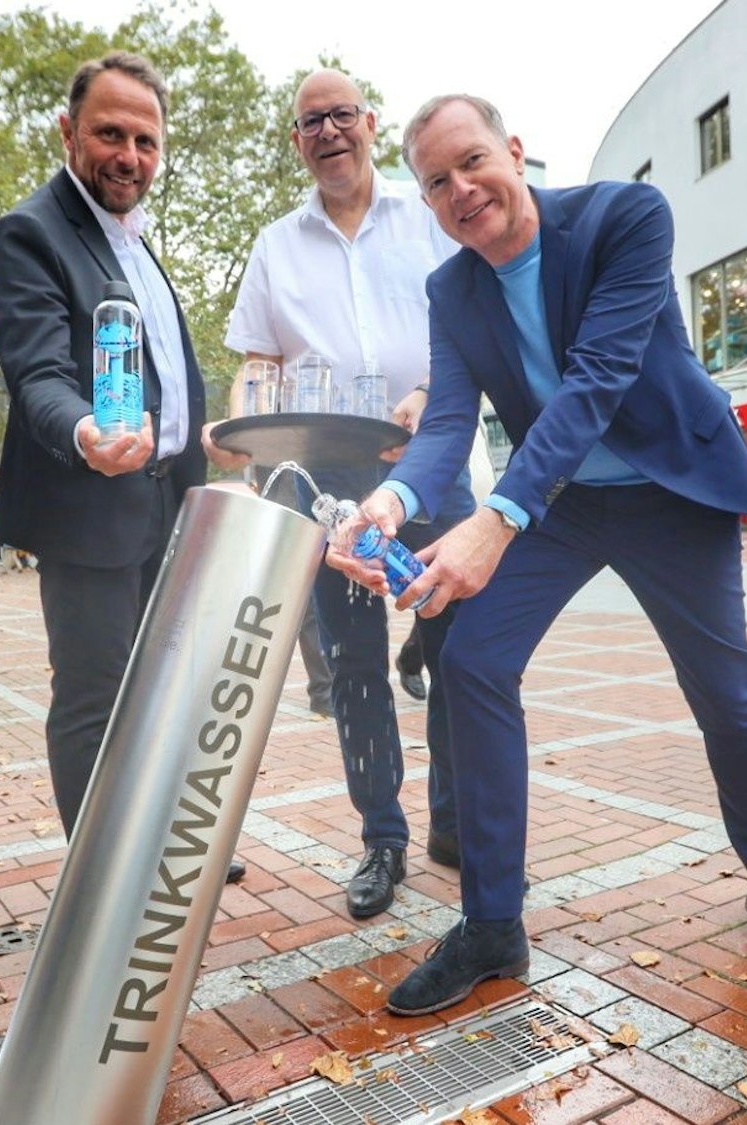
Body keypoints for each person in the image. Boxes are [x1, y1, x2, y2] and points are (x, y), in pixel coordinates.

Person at [329, 94, 747, 1015]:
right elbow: (444, 424)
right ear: (427, 204)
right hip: (568, 501)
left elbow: (597, 380)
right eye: (437, 183)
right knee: (470, 660)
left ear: (515, 152)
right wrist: (388, 505)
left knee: (723, 688)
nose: (462, 189)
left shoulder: (625, 219)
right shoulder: (452, 291)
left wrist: (497, 516)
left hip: (671, 489)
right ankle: (492, 924)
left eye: (474, 162)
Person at [206, 69, 471, 919]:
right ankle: (382, 839)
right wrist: (239, 424)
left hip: (430, 463)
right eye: (311, 121)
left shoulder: (426, 217)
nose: (329, 132)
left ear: (369, 122)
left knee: (460, 654)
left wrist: (437, 392)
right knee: (355, 668)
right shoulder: (274, 246)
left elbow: (471, 328)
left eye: (342, 116)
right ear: (297, 140)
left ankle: (456, 822)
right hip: (328, 484)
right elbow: (257, 364)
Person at [0, 52, 242, 881]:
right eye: (109, 133)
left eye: (145, 139)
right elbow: (38, 375)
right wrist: (87, 430)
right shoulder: (31, 231)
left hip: (171, 504)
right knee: (95, 699)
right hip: (91, 503)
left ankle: (163, 843)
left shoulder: (133, 240)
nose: (128, 154)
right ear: (68, 131)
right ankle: (104, 878)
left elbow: (166, 366)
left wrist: (202, 435)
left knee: (166, 690)